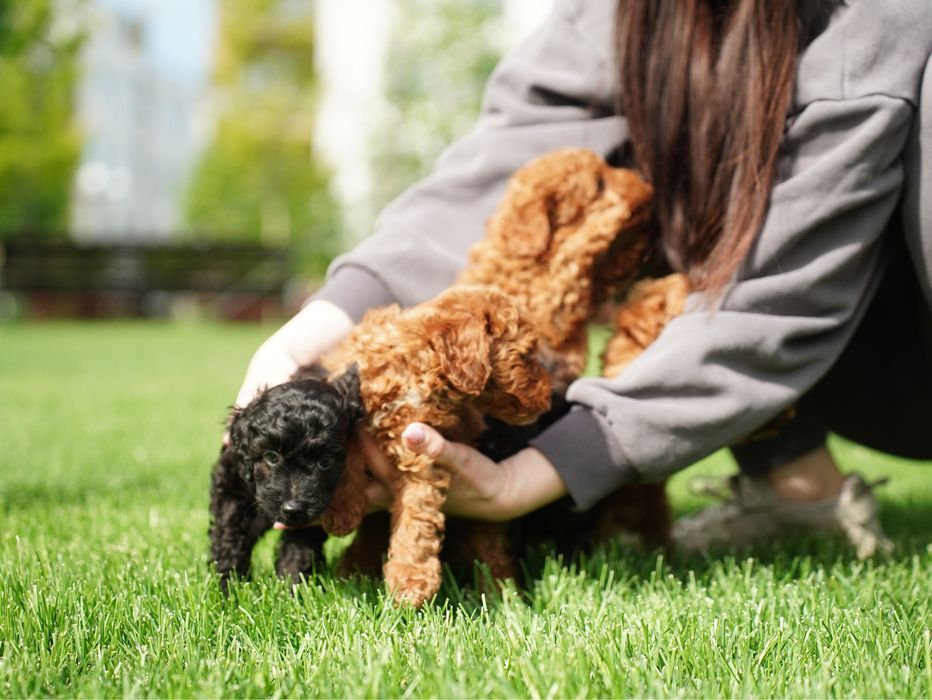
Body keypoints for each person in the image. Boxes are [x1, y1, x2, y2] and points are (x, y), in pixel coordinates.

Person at [232, 0, 932, 555]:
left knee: (624, 205)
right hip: (825, 361)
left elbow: (778, 299)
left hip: (899, 356)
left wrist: (533, 475)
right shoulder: (615, 15)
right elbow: (509, 164)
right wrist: (321, 327)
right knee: (653, 155)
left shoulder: (872, 25)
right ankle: (797, 488)